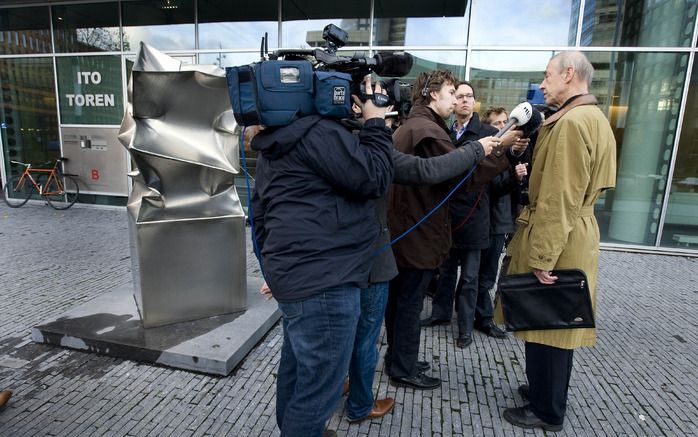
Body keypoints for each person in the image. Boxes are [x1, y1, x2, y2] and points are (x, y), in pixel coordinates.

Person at [343, 89, 500, 422]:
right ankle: (365, 397)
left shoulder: (339, 139)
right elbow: (430, 172)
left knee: (362, 327)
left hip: (363, 253)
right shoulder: (405, 134)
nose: (459, 100)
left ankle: (355, 383)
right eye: (452, 93)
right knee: (372, 328)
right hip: (379, 252)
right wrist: (479, 150)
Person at [250, 78, 393, 437]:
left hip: (298, 279)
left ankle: (298, 428)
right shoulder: (319, 134)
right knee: (318, 390)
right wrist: (375, 123)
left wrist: (274, 270)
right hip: (327, 283)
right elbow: (375, 178)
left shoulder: (278, 142)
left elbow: (260, 216)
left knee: (297, 370)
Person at [496, 51, 616, 431]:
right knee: (553, 322)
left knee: (548, 324)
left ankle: (547, 411)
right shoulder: (591, 117)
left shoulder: (570, 124)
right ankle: (543, 392)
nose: (542, 84)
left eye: (548, 76)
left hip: (559, 236)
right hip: (573, 231)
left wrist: (543, 257)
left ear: (569, 74)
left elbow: (558, 198)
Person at [385, 71, 516, 390]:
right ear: (432, 94)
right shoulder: (427, 130)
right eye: (451, 92)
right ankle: (402, 368)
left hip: (406, 231)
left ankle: (398, 359)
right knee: (409, 302)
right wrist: (500, 150)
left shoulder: (413, 126)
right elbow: (459, 179)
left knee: (401, 300)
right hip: (417, 234)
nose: (457, 99)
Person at [422, 83, 528, 348]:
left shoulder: (489, 133)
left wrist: (514, 154)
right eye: (460, 96)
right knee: (446, 272)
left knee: (470, 277)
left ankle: (465, 328)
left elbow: (501, 173)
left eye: (470, 96)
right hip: (448, 217)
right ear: (453, 102)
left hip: (476, 217)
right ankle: (440, 314)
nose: (465, 100)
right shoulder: (443, 133)